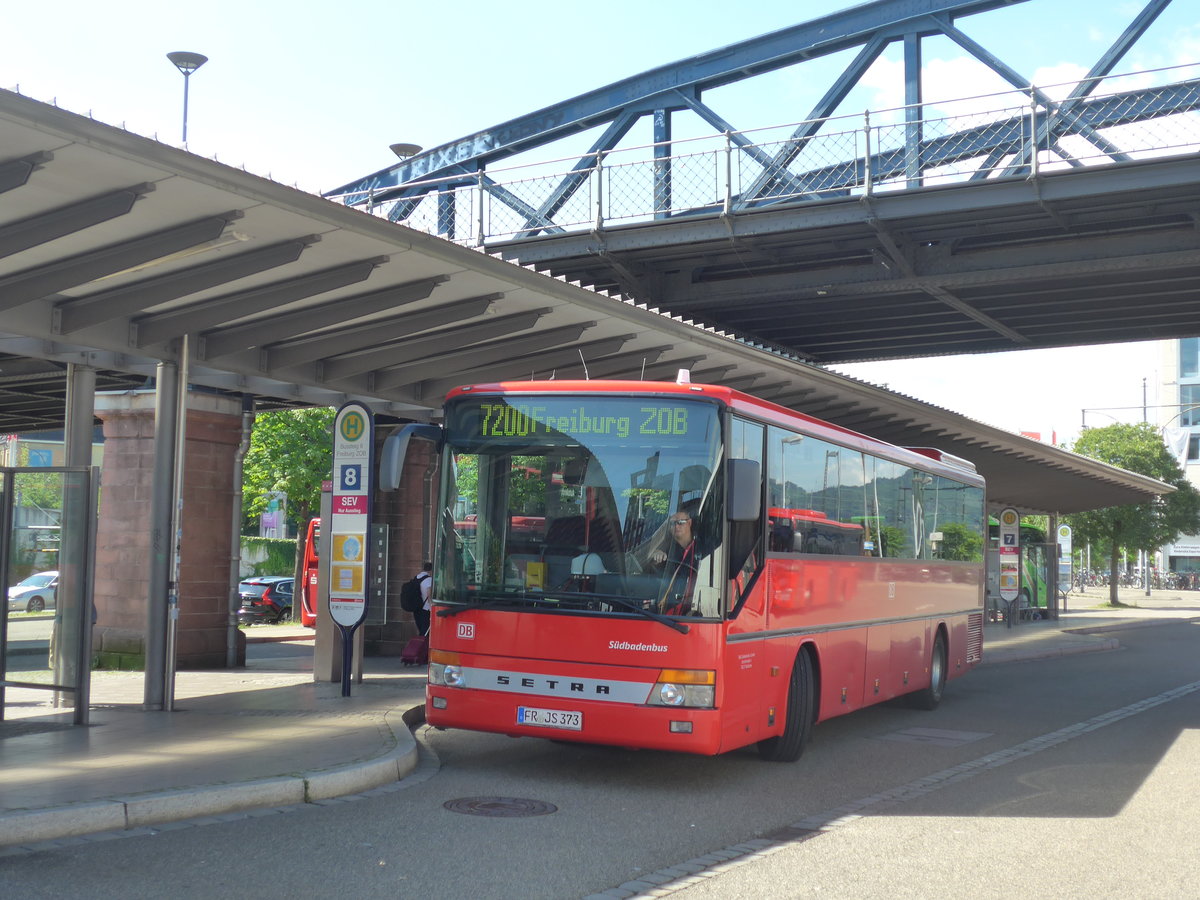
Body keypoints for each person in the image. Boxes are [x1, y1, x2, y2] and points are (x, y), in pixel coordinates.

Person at [651, 509, 702, 614]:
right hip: (670, 610)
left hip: (697, 606)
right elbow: (656, 580)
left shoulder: (702, 547)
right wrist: (656, 561)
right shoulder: (667, 549)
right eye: (673, 523)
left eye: (680, 522)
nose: (676, 526)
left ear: (689, 523)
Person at [412, 562, 433, 635]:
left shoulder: (416, 577)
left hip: (416, 607)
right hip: (426, 608)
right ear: (431, 570)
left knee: (420, 629)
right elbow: (429, 592)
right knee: (425, 631)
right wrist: (431, 605)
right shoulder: (429, 579)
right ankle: (423, 645)